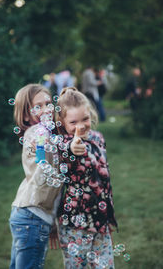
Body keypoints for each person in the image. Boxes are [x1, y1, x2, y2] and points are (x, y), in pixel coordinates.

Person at [55, 87, 118, 268]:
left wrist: (107, 214)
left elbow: (103, 179)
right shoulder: (63, 143)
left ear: (90, 114)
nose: (81, 126)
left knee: (105, 265)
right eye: (73, 122)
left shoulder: (98, 138)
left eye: (85, 119)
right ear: (62, 122)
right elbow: (65, 149)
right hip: (76, 223)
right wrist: (72, 147)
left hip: (99, 219)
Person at [9, 83, 62, 269]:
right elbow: (44, 174)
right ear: (25, 115)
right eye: (38, 106)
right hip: (32, 219)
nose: (47, 109)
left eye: (49, 103)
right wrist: (43, 139)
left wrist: (53, 222)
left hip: (28, 214)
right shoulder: (36, 133)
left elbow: (51, 188)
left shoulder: (48, 134)